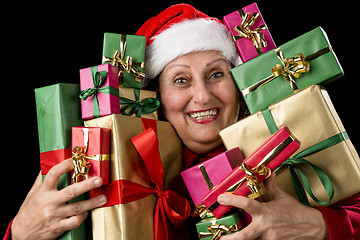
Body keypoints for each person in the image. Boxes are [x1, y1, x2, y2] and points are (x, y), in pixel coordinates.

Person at [5, 4, 360, 240]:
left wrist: (319, 226)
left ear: (239, 83)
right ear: (154, 96)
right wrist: (20, 233)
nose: (203, 97)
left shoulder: (291, 142)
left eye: (216, 74)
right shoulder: (111, 174)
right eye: (180, 80)